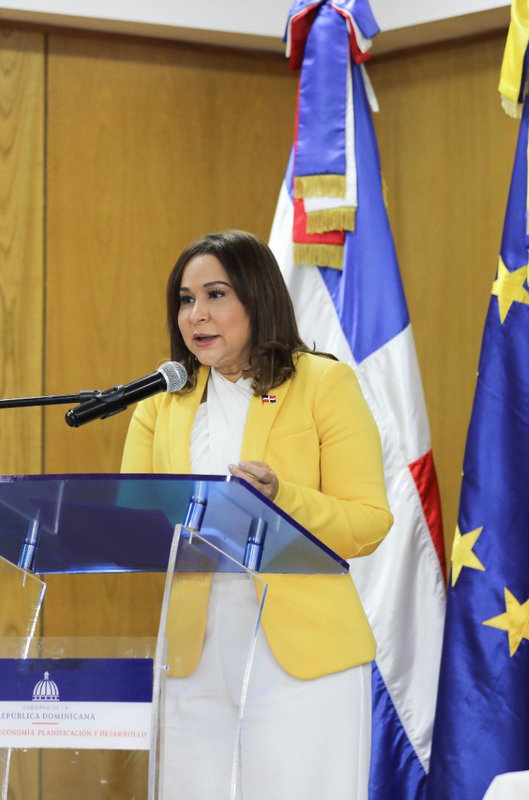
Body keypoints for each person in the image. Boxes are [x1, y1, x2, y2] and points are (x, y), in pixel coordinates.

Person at [121, 230, 392, 799]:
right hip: (193, 655)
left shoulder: (321, 383)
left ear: (257, 296)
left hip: (301, 656)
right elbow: (133, 521)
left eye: (215, 294)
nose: (196, 315)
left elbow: (367, 522)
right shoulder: (159, 403)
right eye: (185, 299)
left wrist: (282, 497)